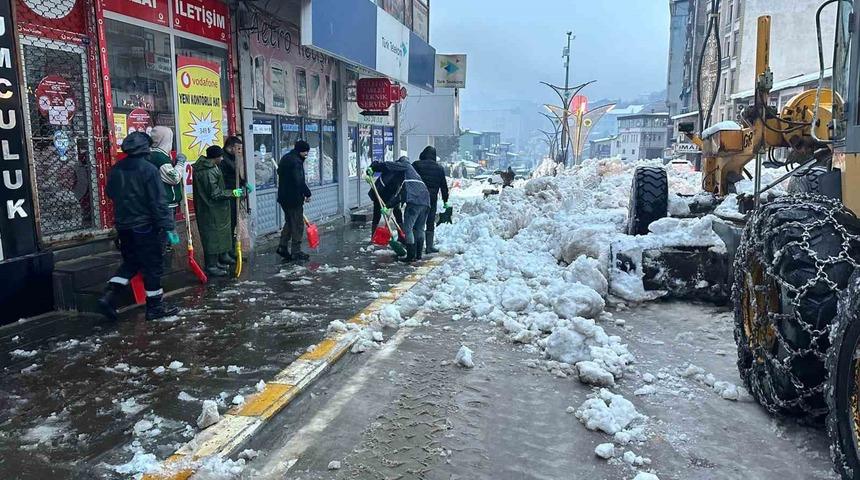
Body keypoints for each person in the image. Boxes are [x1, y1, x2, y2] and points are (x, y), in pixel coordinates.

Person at [98, 132, 180, 321]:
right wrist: (168, 226)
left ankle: (109, 295)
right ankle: (155, 307)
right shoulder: (149, 170)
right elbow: (158, 202)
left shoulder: (116, 169)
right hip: (145, 227)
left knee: (132, 262)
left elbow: (110, 193)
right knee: (152, 267)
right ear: (146, 149)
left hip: (124, 226)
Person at [193, 145, 243, 276]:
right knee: (212, 237)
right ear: (215, 157)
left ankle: (216, 262)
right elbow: (214, 194)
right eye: (220, 156)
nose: (222, 158)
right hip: (209, 209)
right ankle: (211, 266)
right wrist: (232, 193)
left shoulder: (213, 167)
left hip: (216, 209)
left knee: (218, 235)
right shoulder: (206, 171)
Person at [369, 156, 430, 262]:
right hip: (426, 202)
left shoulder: (405, 167)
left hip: (414, 202)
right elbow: (401, 195)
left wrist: (374, 167)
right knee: (419, 229)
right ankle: (418, 255)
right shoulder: (413, 176)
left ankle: (410, 256)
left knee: (408, 229)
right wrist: (388, 206)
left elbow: (387, 165)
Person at [277, 140, 312, 261]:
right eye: (306, 152)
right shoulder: (296, 162)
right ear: (301, 151)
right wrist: (307, 193)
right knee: (297, 224)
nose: (306, 155)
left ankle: (282, 246)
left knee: (289, 222)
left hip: (283, 197)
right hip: (293, 198)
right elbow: (299, 181)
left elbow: (279, 172)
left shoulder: (285, 158)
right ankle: (296, 252)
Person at [412, 146, 449, 254]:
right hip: (432, 199)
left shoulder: (416, 165)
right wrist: (445, 201)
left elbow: (410, 180)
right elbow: (444, 187)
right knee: (430, 221)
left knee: (417, 222)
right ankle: (429, 247)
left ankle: (416, 247)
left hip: (418, 198)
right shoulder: (439, 168)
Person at [148, 126, 184, 214]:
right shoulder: (160, 157)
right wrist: (180, 163)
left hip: (157, 201)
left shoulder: (151, 153)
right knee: (168, 227)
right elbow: (174, 178)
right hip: (165, 204)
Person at [368, 162, 404, 243]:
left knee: (398, 213)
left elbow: (401, 189)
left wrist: (390, 205)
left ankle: (401, 236)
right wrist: (371, 169)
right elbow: (376, 165)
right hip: (379, 194)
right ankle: (373, 237)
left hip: (393, 196)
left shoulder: (404, 173)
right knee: (377, 215)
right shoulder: (389, 166)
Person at [221, 136, 243, 253]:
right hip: (228, 197)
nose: (240, 151)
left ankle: (233, 251)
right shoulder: (223, 160)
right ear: (231, 147)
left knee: (234, 223)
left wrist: (244, 183)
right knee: (229, 225)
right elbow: (223, 180)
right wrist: (231, 192)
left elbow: (236, 176)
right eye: (238, 148)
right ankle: (227, 252)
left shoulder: (233, 158)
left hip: (235, 195)